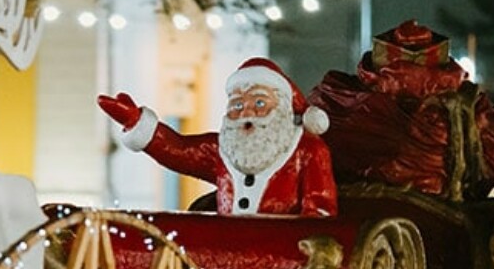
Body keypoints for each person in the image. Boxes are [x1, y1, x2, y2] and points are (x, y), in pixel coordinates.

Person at [98, 57, 337, 217]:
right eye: (237, 104)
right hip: (226, 249)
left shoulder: (307, 150)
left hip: (283, 257)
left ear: (283, 106)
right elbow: (179, 150)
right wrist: (136, 121)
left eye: (260, 102)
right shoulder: (223, 149)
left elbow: (318, 213)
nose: (246, 111)